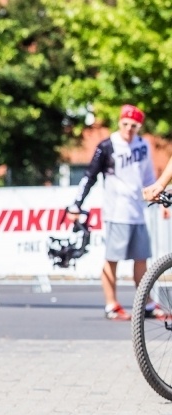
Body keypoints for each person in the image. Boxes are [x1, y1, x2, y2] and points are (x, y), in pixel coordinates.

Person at [66, 104, 158, 320]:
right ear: (119, 122)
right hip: (117, 211)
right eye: (125, 124)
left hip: (138, 211)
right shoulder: (108, 146)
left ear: (139, 126)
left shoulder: (143, 145)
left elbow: (149, 178)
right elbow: (90, 176)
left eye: (134, 126)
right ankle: (111, 304)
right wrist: (76, 204)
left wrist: (160, 200)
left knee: (141, 259)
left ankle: (147, 304)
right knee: (112, 259)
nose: (129, 129)